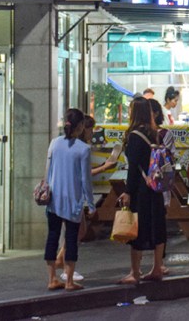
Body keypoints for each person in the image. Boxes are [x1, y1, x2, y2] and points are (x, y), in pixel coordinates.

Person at [56, 115, 115, 280]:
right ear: (82, 128)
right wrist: (104, 168)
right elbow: (84, 176)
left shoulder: (61, 144)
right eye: (90, 129)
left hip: (64, 193)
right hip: (72, 194)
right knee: (76, 231)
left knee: (77, 231)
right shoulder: (80, 148)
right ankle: (66, 269)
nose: (92, 133)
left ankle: (61, 262)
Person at [118, 97, 168, 283]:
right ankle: (157, 268)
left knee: (137, 228)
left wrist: (128, 191)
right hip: (155, 186)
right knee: (157, 225)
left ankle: (135, 272)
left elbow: (133, 168)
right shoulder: (155, 133)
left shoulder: (134, 136)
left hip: (141, 188)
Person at [43, 108, 94, 291]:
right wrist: (91, 203)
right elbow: (85, 180)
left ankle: (52, 279)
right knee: (71, 239)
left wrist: (46, 190)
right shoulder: (84, 149)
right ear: (80, 126)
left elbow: (48, 171)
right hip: (73, 201)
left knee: (52, 237)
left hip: (54, 199)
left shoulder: (54, 143)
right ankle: (69, 281)